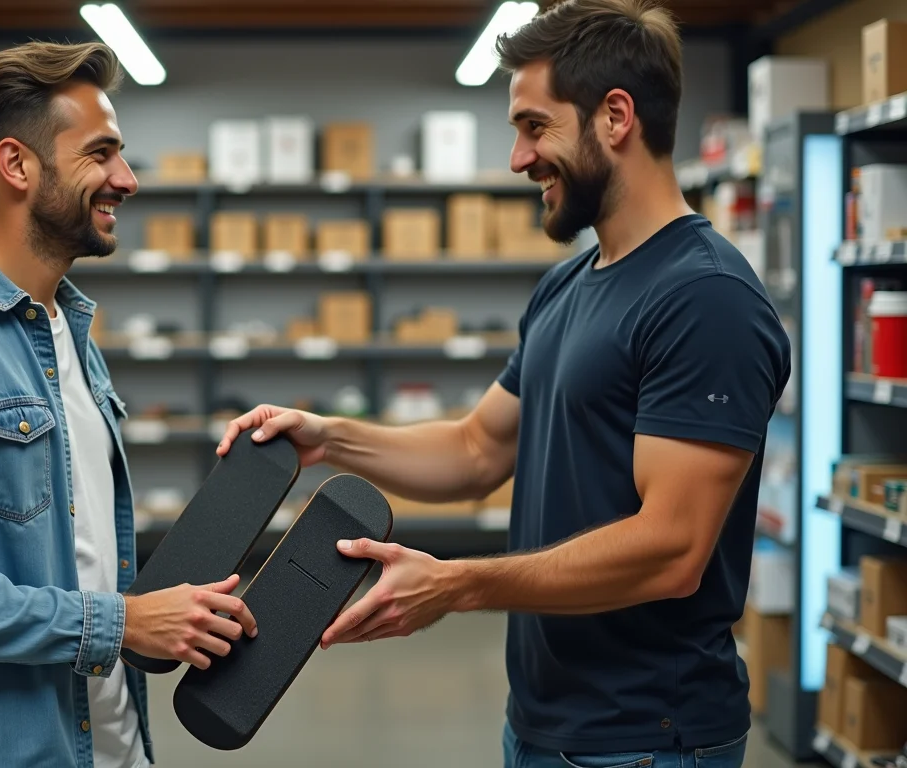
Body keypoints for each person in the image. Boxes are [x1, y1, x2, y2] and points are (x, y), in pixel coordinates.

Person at [218, 0, 790, 765]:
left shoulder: (704, 298)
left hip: (646, 738)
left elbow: (672, 549)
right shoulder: (567, 286)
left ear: (615, 117)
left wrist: (459, 584)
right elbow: (476, 449)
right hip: (541, 723)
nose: (519, 159)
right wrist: (328, 439)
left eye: (534, 127)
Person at [0, 42, 257, 768]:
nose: (126, 179)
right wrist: (122, 624)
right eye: (101, 153)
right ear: (17, 165)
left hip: (106, 744)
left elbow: (82, 551)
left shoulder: (70, 332)